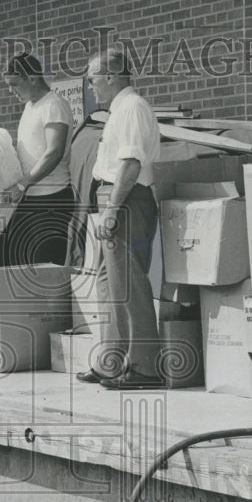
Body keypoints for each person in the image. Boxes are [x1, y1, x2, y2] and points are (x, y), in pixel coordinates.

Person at [78, 45, 163, 389]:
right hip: (115, 197)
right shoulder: (120, 109)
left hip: (125, 199)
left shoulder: (131, 108)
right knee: (108, 283)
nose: (90, 85)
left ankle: (145, 367)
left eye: (93, 78)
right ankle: (111, 361)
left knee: (129, 284)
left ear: (111, 76)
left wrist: (112, 208)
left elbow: (130, 163)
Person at [0, 52, 75, 266]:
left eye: (15, 84)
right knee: (22, 262)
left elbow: (54, 152)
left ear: (33, 78)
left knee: (46, 267)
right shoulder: (30, 107)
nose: (11, 90)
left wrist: (23, 183)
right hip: (30, 198)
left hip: (52, 199)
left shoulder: (54, 105)